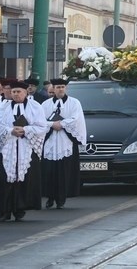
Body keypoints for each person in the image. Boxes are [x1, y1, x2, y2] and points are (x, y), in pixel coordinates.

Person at [0, 81, 49, 221]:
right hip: (8, 147)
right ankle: (4, 210)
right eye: (14, 92)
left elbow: (42, 127)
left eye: (19, 92)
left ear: (26, 92)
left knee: (25, 178)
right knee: (4, 178)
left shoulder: (35, 107)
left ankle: (20, 209)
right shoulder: (3, 107)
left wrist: (25, 130)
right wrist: (11, 130)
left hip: (26, 147)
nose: (16, 94)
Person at [40, 78, 87, 209]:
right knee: (49, 171)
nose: (60, 89)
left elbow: (76, 118)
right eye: (58, 87)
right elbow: (40, 120)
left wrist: (61, 124)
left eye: (62, 87)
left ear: (66, 88)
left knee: (63, 171)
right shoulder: (46, 104)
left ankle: (61, 198)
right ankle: (50, 197)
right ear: (53, 89)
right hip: (50, 140)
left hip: (66, 140)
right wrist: (52, 124)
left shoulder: (74, 103)